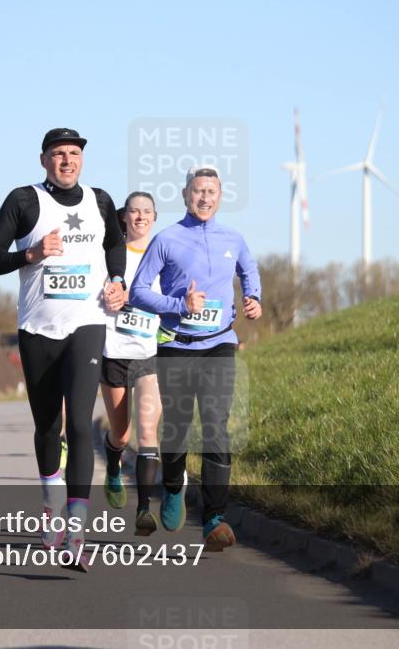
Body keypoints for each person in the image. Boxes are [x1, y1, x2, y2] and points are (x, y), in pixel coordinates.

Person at [0, 128, 126, 571]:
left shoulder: (100, 201)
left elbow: (115, 243)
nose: (67, 161)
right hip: (38, 330)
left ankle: (77, 530)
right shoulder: (23, 201)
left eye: (75, 154)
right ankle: (50, 503)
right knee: (49, 425)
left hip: (88, 323)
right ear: (44, 160)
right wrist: (30, 255)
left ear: (82, 159)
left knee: (81, 422)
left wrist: (118, 282)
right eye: (59, 154)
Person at [130, 164, 262, 551]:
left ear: (220, 196)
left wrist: (253, 298)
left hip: (220, 343)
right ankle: (173, 487)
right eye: (198, 191)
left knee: (217, 426)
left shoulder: (233, 238)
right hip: (175, 344)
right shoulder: (167, 239)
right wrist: (178, 305)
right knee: (177, 425)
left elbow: (249, 270)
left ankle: (215, 519)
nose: (205, 198)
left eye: (212, 192)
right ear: (186, 194)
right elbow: (138, 291)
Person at [100, 192, 163, 536]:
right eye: (134, 212)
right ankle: (113, 467)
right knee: (121, 434)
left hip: (148, 353)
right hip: (114, 351)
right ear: (124, 217)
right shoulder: (109, 254)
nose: (140, 217)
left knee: (148, 430)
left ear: (155, 217)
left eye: (147, 212)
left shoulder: (163, 254)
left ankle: (143, 510)